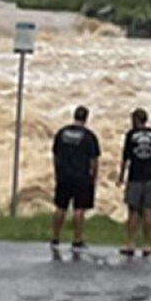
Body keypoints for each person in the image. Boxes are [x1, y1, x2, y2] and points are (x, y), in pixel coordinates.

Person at [116, 108, 151, 257]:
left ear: (135, 120)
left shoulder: (130, 135)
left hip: (135, 176)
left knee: (133, 211)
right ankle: (147, 245)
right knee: (148, 210)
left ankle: (131, 243)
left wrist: (120, 176)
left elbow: (125, 157)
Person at [51, 106, 100, 253]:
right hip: (82, 177)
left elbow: (55, 155)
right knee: (79, 209)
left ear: (74, 116)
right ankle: (76, 240)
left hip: (64, 175)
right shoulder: (89, 136)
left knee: (60, 207)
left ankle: (55, 238)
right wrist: (94, 177)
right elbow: (93, 160)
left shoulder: (62, 132)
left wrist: (57, 171)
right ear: (86, 118)